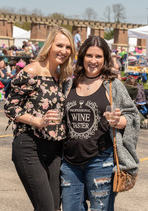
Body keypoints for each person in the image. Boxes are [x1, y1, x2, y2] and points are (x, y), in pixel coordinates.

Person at [61, 36, 140, 211]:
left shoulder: (113, 85)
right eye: (89, 55)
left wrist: (119, 121)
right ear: (82, 57)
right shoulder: (69, 84)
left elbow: (133, 117)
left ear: (105, 59)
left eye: (99, 56)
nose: (93, 61)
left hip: (101, 161)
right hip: (69, 162)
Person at [4, 26, 76, 211]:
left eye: (68, 47)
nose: (64, 51)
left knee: (54, 206)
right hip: (30, 145)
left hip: (55, 149)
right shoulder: (31, 71)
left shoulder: (62, 77)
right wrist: (37, 121)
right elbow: (10, 106)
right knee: (46, 207)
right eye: (59, 45)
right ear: (49, 45)